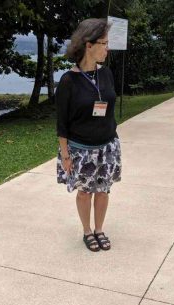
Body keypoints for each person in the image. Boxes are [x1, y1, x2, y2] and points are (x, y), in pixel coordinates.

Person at [55, 18, 121, 252]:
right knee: (85, 192)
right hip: (80, 149)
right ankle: (86, 231)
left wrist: (111, 139)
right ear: (88, 45)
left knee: (103, 190)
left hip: (107, 146)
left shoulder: (107, 74)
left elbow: (110, 109)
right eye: (104, 43)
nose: (107, 48)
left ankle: (99, 229)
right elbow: (61, 123)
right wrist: (65, 155)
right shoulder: (68, 81)